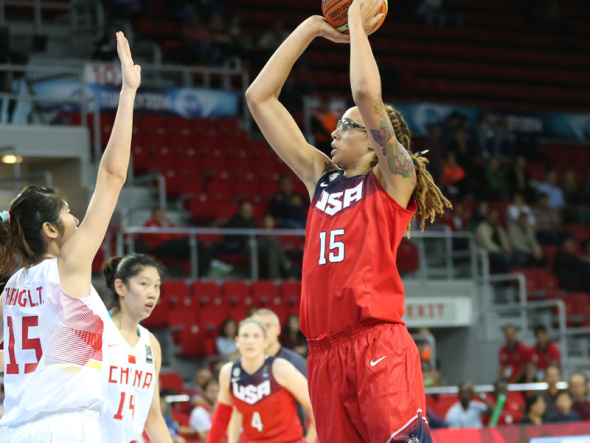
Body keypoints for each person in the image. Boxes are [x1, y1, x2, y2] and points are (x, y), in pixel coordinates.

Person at [245, 2, 451, 440]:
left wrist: (355, 21)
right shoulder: (320, 178)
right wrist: (312, 28)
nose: (334, 132)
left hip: (376, 341)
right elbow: (258, 98)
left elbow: (365, 95)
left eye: (347, 126)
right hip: (322, 353)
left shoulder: (396, 178)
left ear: (377, 143)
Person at [0, 32, 139, 441]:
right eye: (69, 214)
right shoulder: (69, 268)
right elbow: (112, 177)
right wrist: (128, 93)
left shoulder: (10, 291)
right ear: (50, 230)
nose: (77, 221)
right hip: (64, 428)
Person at [206, 318, 317, 443]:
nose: (250, 341)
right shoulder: (228, 372)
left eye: (256, 336)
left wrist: (310, 440)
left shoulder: (281, 368)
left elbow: (313, 406)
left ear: (265, 342)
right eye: (245, 336)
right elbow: (221, 418)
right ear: (237, 341)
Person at [100, 254, 172, 442]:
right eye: (144, 284)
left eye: (157, 286)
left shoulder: (152, 344)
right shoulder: (97, 329)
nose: (153, 293)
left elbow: (153, 417)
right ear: (120, 287)